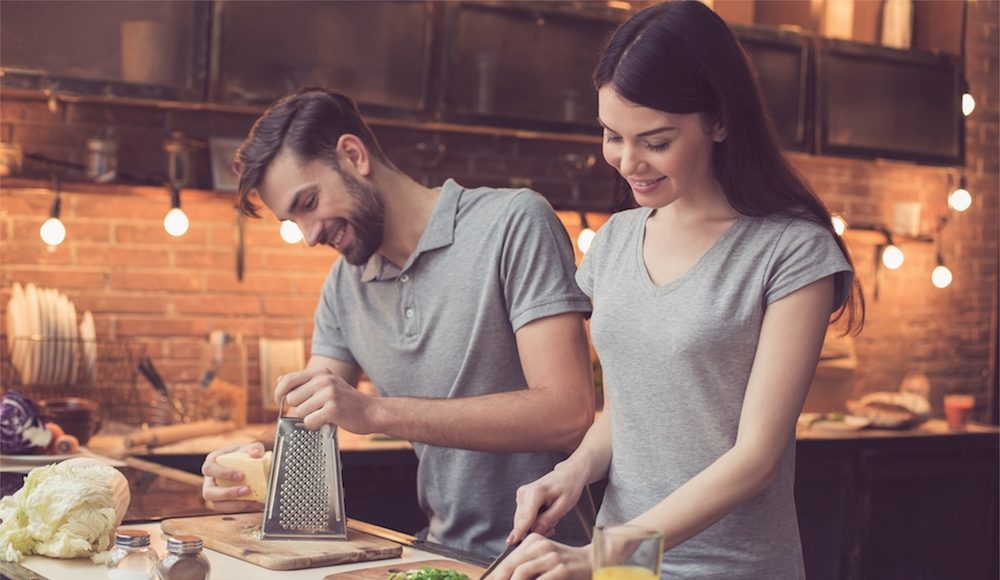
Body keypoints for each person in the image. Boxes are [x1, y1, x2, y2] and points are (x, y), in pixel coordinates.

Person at [486, 2, 865, 579]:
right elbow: (632, 409)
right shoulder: (614, 241)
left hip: (730, 569)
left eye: (656, 142)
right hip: (622, 570)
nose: (628, 162)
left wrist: (600, 556)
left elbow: (756, 459)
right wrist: (574, 469)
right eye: (613, 136)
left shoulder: (791, 252)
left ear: (719, 120)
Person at [199, 88, 597, 557]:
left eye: (308, 203)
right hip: (438, 554)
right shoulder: (343, 287)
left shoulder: (513, 223)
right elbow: (306, 416)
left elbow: (567, 414)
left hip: (549, 560)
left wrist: (374, 412)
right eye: (293, 219)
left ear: (353, 155)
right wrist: (246, 463)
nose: (308, 237)